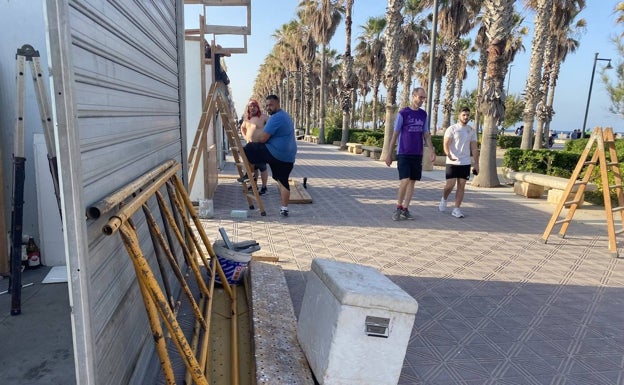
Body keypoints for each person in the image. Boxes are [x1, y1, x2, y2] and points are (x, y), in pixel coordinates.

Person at [384, 87, 436, 221]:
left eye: (424, 98)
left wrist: (431, 151)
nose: (422, 100)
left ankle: (406, 209)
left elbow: (426, 134)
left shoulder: (423, 115)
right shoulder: (403, 113)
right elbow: (395, 134)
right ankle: (398, 207)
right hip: (404, 152)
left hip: (417, 153)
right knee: (405, 179)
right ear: (414, 96)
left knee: (412, 182)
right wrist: (389, 154)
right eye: (420, 97)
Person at [242, 95, 297, 217]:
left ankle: (249, 175)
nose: (268, 107)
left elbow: (262, 138)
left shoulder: (275, 118)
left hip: (275, 152)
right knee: (283, 181)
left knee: (249, 149)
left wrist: (256, 139)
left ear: (278, 104)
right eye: (266, 105)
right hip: (288, 156)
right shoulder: (285, 116)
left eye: (271, 105)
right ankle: (284, 209)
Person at [438, 107, 479, 218]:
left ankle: (456, 208)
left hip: (465, 162)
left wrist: (476, 163)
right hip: (452, 161)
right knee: (450, 185)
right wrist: (448, 154)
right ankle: (444, 199)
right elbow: (446, 144)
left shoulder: (471, 131)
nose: (466, 117)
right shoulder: (452, 129)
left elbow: (474, 148)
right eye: (464, 115)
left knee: (461, 186)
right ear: (459, 115)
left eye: (467, 115)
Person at [239, 99, 269, 194]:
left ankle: (264, 188)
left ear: (257, 107)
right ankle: (254, 185)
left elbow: (272, 127)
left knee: (262, 167)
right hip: (250, 147)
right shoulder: (247, 119)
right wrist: (245, 137)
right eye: (250, 106)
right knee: (253, 167)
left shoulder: (264, 117)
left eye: (254, 106)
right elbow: (242, 128)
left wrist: (267, 138)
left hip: (260, 146)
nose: (252, 108)